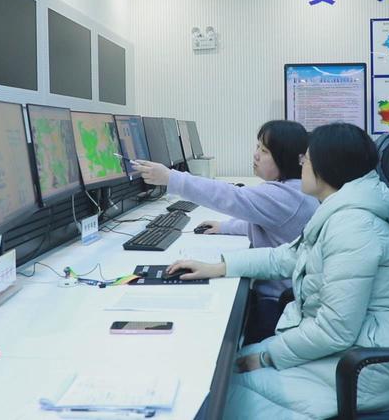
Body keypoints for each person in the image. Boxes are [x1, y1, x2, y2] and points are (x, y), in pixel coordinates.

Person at [166, 123, 389, 419]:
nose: (301, 165)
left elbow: (335, 330)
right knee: (218, 368)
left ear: (326, 168)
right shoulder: (338, 212)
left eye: (307, 159)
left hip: (365, 370)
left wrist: (266, 357)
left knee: (218, 394)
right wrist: (220, 267)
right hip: (348, 349)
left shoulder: (353, 228)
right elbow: (287, 257)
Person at [132, 120, 319, 344]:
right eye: (257, 147)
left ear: (286, 157)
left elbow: (231, 197)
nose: (256, 155)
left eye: (264, 151)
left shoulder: (285, 196)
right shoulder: (293, 190)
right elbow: (264, 220)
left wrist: (172, 178)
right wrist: (225, 227)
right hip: (283, 294)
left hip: (278, 304)